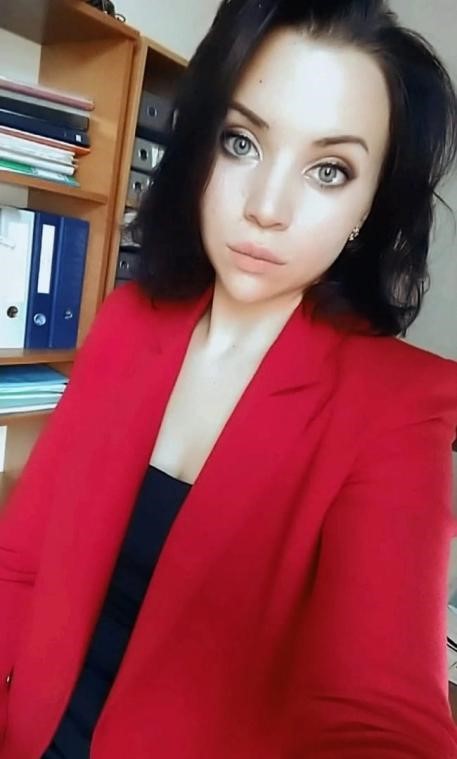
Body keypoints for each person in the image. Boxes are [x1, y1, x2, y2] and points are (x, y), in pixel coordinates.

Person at [1, 0, 457, 756]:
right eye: (241, 142)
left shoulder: (402, 407)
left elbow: (379, 711)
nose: (266, 208)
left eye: (329, 170)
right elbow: (20, 563)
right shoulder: (128, 323)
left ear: (369, 206)